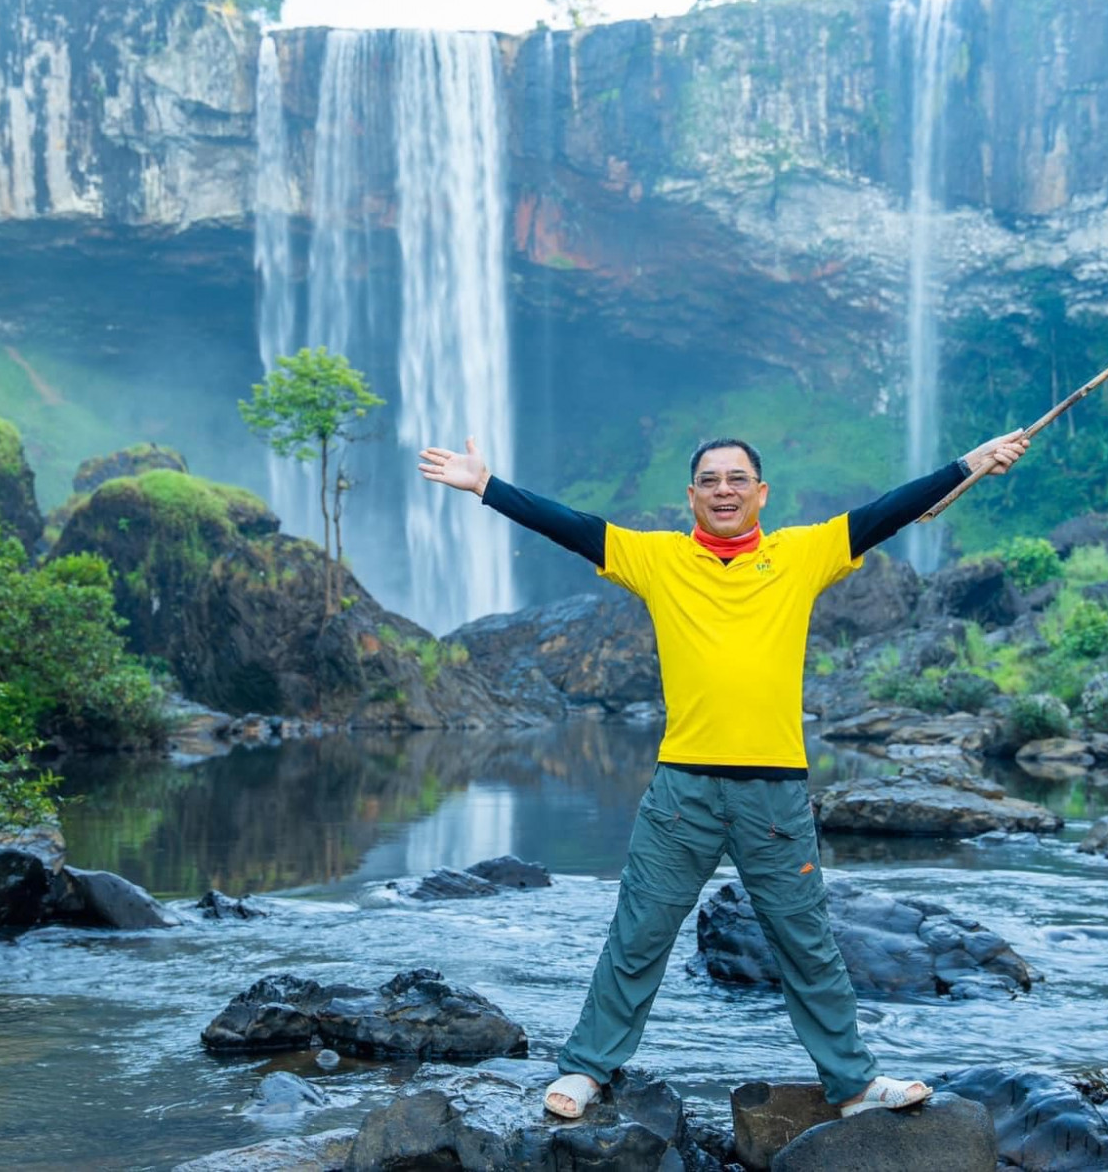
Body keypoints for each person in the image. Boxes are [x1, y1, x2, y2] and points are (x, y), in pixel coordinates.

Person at [417, 428, 1031, 1120]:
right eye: (710, 481)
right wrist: (485, 486)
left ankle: (853, 1084)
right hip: (683, 791)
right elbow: (572, 526)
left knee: (808, 943)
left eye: (737, 479)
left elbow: (887, 512)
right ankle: (587, 1069)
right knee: (639, 932)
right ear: (691, 496)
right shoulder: (657, 559)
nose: (724, 491)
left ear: (761, 492)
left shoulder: (802, 554)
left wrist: (970, 464)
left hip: (775, 794)